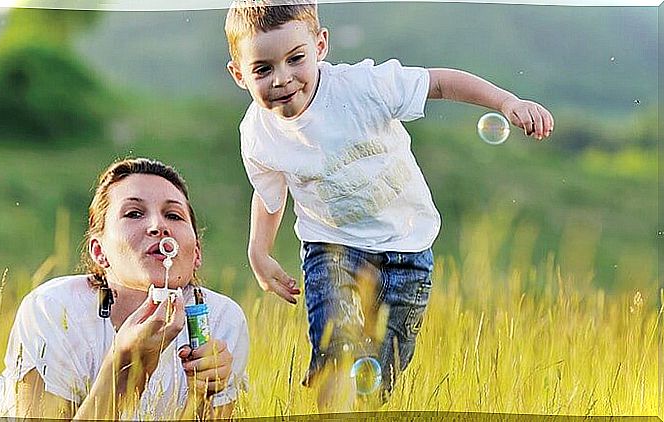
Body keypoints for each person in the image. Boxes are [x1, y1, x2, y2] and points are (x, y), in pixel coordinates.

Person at [223, 0, 553, 411]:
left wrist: (507, 103)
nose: (282, 79)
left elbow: (441, 83)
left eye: (295, 59)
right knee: (335, 348)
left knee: (386, 365)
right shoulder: (257, 134)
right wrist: (259, 251)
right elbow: (270, 192)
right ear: (239, 74)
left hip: (407, 245)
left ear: (320, 46)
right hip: (331, 248)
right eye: (263, 69)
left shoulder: (363, 87)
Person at [0, 157, 249, 420]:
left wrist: (205, 398)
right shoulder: (55, 309)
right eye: (133, 214)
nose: (158, 226)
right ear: (100, 252)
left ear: (196, 254)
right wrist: (123, 364)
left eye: (173, 216)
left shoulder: (219, 321)